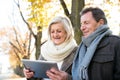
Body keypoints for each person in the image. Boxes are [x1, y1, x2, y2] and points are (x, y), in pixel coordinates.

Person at [71, 7, 120, 80]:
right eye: (81, 24)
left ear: (100, 23)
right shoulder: (82, 48)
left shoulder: (116, 43)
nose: (82, 28)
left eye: (86, 23)